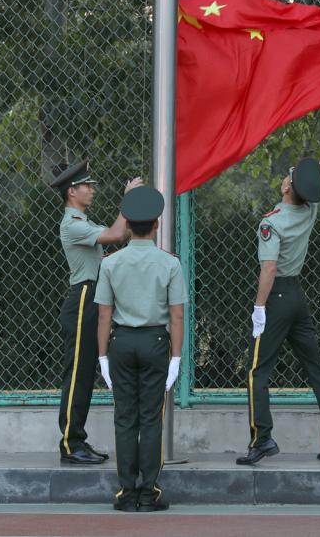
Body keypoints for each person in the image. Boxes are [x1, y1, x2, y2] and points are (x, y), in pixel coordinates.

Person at [236, 115, 320, 466]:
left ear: (287, 188)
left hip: (276, 297)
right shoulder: (309, 209)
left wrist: (259, 308)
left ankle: (261, 439)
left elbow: (269, 268)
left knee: (257, 371)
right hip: (297, 298)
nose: (289, 176)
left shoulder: (272, 223)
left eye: (290, 176)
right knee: (317, 369)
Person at [96, 186, 187, 512]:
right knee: (150, 418)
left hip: (121, 342)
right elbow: (177, 315)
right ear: (157, 224)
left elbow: (104, 314)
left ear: (128, 225)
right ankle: (148, 493)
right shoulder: (170, 263)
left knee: (124, 418)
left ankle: (126, 493)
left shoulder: (111, 263)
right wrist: (176, 357)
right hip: (155, 342)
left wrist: (102, 356)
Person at [50, 160, 142, 465]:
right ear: (72, 191)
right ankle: (70, 443)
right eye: (86, 186)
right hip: (83, 300)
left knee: (85, 374)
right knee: (77, 374)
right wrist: (128, 200)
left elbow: (120, 234)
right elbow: (116, 234)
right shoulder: (72, 224)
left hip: (92, 298)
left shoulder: (83, 222)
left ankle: (77, 439)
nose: (91, 190)